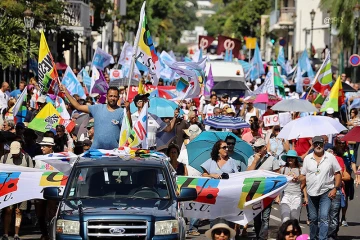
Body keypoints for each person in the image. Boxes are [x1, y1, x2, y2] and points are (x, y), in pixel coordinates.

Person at [300, 136, 341, 240]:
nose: (318, 146)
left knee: (323, 217)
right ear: (313, 145)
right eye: (316, 144)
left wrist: (335, 188)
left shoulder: (330, 157)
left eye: (320, 144)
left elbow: (337, 173)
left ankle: (323, 238)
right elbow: (303, 175)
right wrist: (296, 179)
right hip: (311, 193)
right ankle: (313, 237)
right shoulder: (307, 159)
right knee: (313, 219)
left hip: (326, 192)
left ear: (324, 144)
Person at [60, 84, 124, 149]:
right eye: (110, 96)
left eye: (115, 96)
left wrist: (128, 111)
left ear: (118, 97)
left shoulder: (122, 112)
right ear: (106, 96)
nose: (112, 98)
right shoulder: (97, 108)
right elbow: (78, 106)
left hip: (114, 152)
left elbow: (128, 129)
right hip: (96, 151)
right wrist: (66, 92)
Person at [247, 138, 280, 240]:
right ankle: (258, 236)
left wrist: (277, 195)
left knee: (265, 218)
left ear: (264, 148)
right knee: (257, 218)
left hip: (268, 192)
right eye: (255, 148)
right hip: (255, 192)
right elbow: (247, 173)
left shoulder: (273, 159)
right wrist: (255, 161)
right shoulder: (251, 158)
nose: (257, 150)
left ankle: (262, 238)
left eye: (259, 148)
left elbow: (278, 176)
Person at [1, 141, 33, 240]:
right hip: (8, 188)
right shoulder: (4, 158)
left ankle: (16, 234)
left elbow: (31, 173)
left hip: (22, 188)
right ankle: (5, 233)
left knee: (19, 211)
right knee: (8, 210)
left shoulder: (27, 158)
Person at [35, 136, 58, 240]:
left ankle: (51, 233)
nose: (42, 148)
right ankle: (44, 233)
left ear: (50, 147)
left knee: (51, 213)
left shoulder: (57, 159)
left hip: (53, 190)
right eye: (41, 146)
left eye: (44, 146)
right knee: (40, 213)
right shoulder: (38, 159)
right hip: (40, 190)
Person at [276, 150, 308, 222]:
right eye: (289, 157)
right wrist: (277, 197)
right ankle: (285, 233)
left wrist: (305, 197)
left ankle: (294, 233)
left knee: (294, 219)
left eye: (292, 158)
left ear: (296, 159)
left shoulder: (301, 169)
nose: (290, 159)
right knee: (285, 219)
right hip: (285, 196)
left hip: (297, 196)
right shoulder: (283, 169)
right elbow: (279, 184)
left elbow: (304, 184)